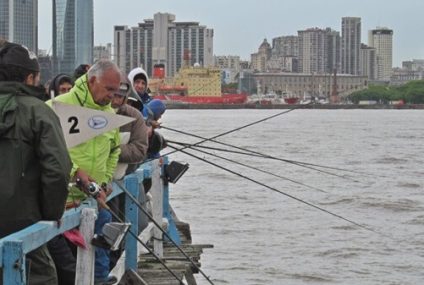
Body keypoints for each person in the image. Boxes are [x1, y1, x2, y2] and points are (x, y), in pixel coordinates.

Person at [0, 41, 72, 284]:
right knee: (41, 277)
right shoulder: (38, 111)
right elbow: (58, 170)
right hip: (23, 221)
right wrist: (50, 216)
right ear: (30, 78)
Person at [47, 60, 121, 285]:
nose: (112, 96)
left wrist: (106, 180)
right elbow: (47, 150)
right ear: (92, 81)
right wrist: (73, 172)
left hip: (95, 201)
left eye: (116, 91)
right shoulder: (56, 106)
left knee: (110, 248)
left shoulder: (110, 115)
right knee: (66, 269)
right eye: (109, 89)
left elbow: (114, 151)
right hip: (60, 205)